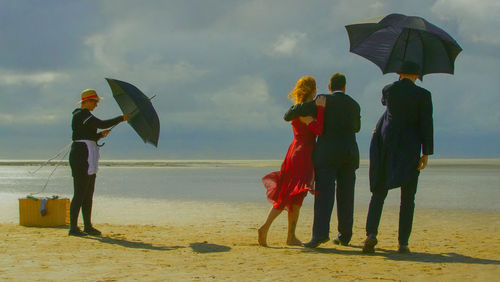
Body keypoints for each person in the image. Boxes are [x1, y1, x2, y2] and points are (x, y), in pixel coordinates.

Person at [363, 61, 433, 254]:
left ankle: (371, 233)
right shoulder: (424, 95)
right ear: (418, 76)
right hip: (410, 150)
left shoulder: (389, 90)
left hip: (387, 147)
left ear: (399, 72)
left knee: (379, 192)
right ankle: (403, 243)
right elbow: (427, 124)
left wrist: (398, 80)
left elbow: (384, 103)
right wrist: (426, 152)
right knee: (408, 198)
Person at [284, 73, 361, 248]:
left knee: (324, 196)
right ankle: (345, 235)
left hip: (327, 155)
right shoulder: (354, 104)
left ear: (329, 86)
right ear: (345, 87)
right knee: (347, 196)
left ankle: (320, 235)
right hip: (349, 154)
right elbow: (357, 127)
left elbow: (290, 114)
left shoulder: (323, 100)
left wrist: (317, 111)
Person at [258, 76, 326, 246]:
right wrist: (322, 110)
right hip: (303, 154)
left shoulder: (297, 109)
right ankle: (266, 228)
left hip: (295, 151)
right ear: (313, 90)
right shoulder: (305, 112)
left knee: (294, 196)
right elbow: (318, 130)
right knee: (291, 194)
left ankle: (290, 236)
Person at [68, 89, 130, 236]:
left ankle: (87, 226)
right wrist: (121, 118)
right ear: (87, 101)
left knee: (88, 193)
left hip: (88, 153)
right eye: (95, 102)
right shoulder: (81, 115)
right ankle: (73, 228)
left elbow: (90, 135)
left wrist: (100, 135)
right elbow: (101, 123)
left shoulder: (86, 116)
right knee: (80, 193)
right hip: (81, 156)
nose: (96, 105)